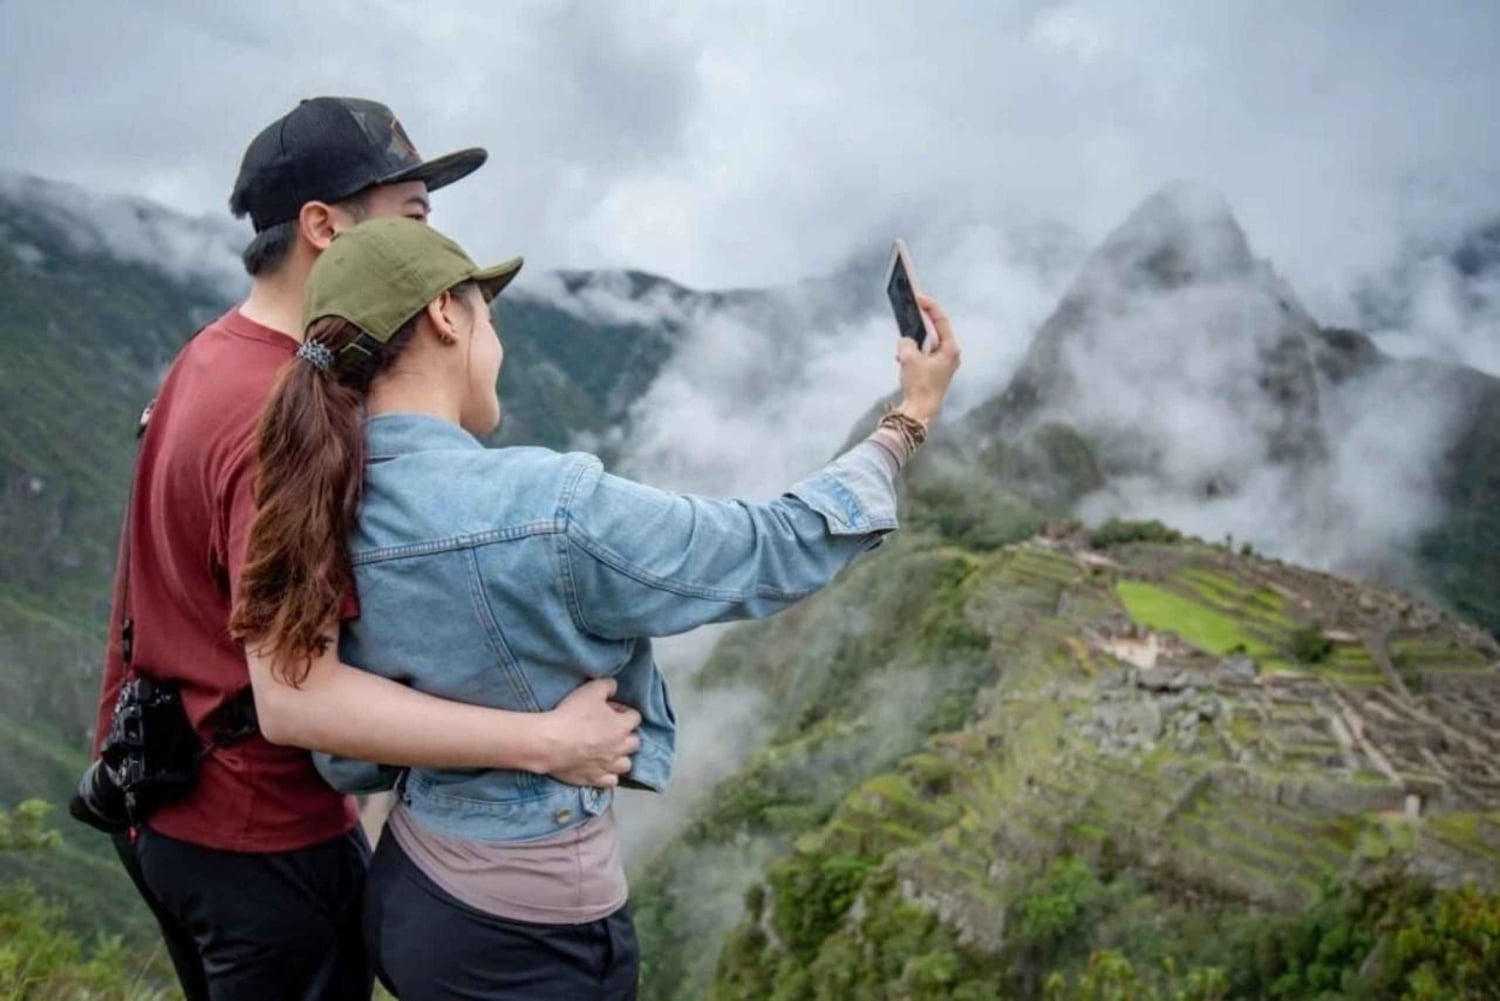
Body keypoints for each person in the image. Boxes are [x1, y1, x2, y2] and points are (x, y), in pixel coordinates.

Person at [230, 216, 962, 1000]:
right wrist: (907, 421)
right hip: (529, 932)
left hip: (413, 881)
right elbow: (768, 544)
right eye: (486, 312)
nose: (496, 340)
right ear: (446, 313)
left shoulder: (310, 497)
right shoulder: (549, 508)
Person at [85, 98, 641, 1001]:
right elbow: (297, 696)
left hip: (171, 810)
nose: (436, 245)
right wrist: (546, 742)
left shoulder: (211, 355)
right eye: (414, 215)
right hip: (263, 839)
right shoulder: (279, 417)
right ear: (324, 227)